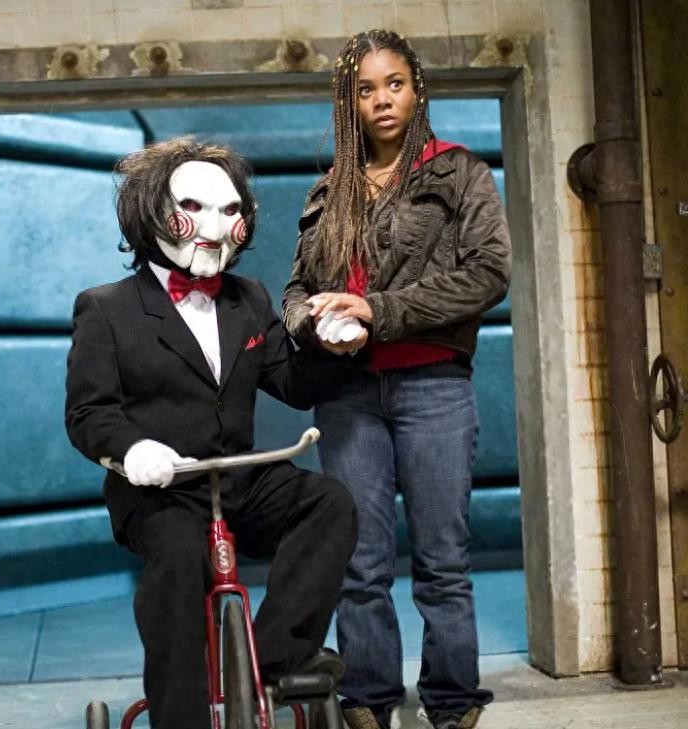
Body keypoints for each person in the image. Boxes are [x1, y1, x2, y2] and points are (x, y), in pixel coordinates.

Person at [65, 137, 357, 729]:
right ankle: (183, 715)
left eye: (229, 211)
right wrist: (132, 448)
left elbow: (291, 382)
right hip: (161, 492)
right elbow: (88, 412)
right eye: (194, 208)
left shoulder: (247, 299)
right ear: (150, 210)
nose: (214, 226)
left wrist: (329, 345)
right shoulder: (105, 308)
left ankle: (273, 661)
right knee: (178, 556)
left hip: (239, 481)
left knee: (328, 503)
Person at [282, 29, 512, 729]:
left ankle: (451, 699)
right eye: (365, 89)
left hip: (432, 386)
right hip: (347, 392)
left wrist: (376, 311)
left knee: (442, 557)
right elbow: (296, 288)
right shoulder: (328, 189)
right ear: (346, 103)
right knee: (360, 561)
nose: (381, 99)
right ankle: (368, 696)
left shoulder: (458, 171)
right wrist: (312, 320)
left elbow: (487, 274)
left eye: (394, 84)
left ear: (416, 90)